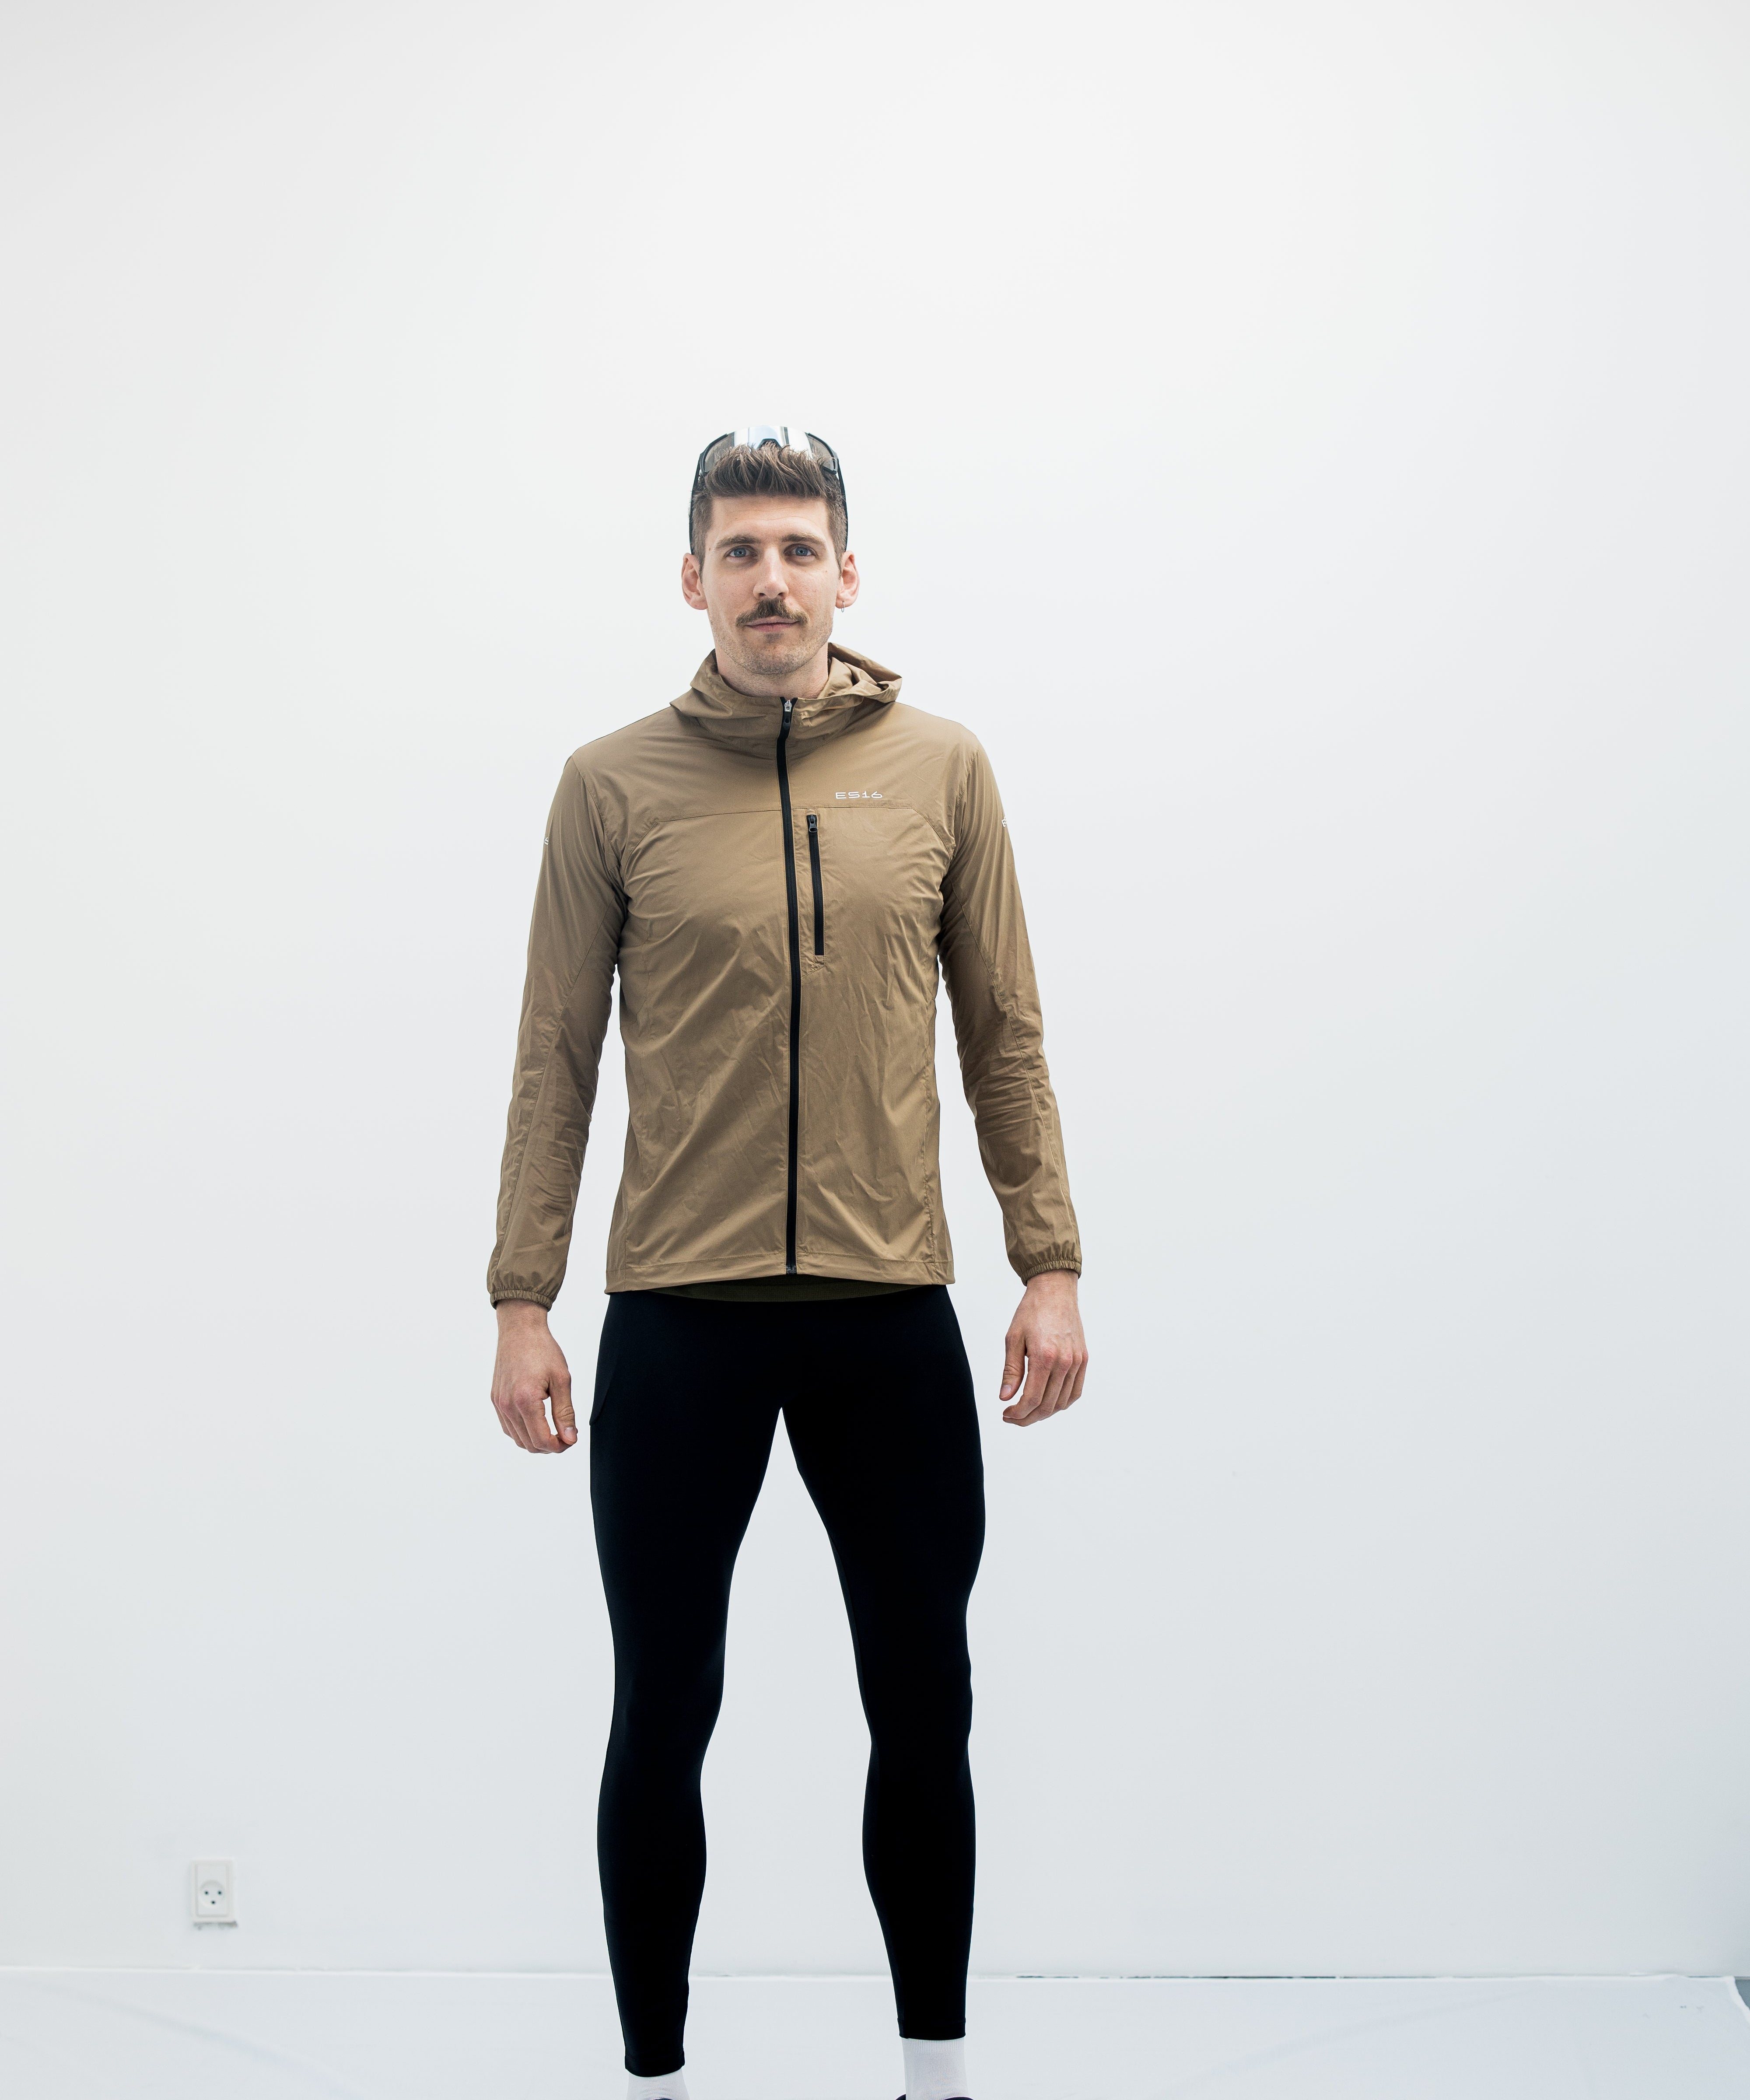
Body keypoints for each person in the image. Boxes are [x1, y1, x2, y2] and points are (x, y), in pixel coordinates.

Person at [487, 426, 1086, 2100]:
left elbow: (1006, 1034)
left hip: (889, 1317)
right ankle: (656, 2078)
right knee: (661, 1709)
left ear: (847, 574)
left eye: (799, 549)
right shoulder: (611, 785)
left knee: (925, 1701)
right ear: (694, 579)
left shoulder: (944, 770)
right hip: (679, 1323)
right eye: (741, 552)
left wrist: (1047, 1261)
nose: (772, 581)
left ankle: (934, 2077)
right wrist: (523, 1298)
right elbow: (554, 1057)